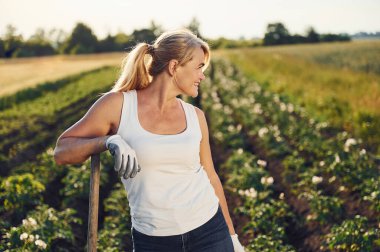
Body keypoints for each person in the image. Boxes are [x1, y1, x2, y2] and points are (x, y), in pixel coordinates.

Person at [54, 28, 245, 252]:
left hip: (210, 231)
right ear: (174, 67)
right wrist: (107, 141)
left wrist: (232, 237)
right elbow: (61, 151)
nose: (202, 75)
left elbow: (210, 175)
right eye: (199, 67)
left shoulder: (196, 117)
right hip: (154, 241)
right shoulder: (118, 106)